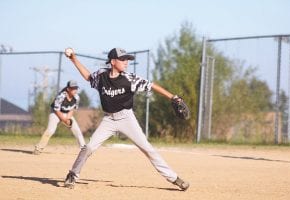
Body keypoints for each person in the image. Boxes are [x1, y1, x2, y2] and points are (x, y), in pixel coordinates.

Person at [63, 47, 189, 191]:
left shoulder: (129, 79)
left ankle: (174, 178)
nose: (126, 62)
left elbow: (152, 86)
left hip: (126, 118)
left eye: (127, 59)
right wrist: (74, 59)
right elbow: (88, 77)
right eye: (123, 59)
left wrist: (173, 97)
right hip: (109, 120)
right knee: (89, 147)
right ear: (113, 61)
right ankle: (73, 174)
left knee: (148, 149)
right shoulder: (101, 76)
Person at [32, 80, 86, 155]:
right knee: (50, 130)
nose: (75, 90)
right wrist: (64, 120)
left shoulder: (77, 97)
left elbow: (72, 109)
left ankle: (84, 150)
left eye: (76, 88)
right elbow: (57, 110)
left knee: (77, 131)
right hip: (55, 113)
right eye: (73, 88)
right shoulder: (61, 96)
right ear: (68, 89)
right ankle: (38, 148)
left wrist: (68, 119)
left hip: (67, 113)